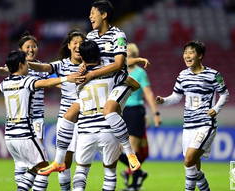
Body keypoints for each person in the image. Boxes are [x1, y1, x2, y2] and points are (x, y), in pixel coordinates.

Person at [38, 0, 151, 176]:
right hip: (97, 84)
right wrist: (83, 67)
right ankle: (58, 162)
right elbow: (87, 59)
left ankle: (130, 153)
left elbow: (119, 63)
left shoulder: (118, 35)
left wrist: (91, 74)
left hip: (117, 82)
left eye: (93, 12)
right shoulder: (90, 36)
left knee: (109, 111)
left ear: (104, 15)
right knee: (68, 115)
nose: (90, 16)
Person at [0, 50, 82, 191]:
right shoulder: (26, 81)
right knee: (44, 168)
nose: (28, 66)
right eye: (26, 63)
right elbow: (46, 83)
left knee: (33, 168)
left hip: (9, 137)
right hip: (25, 134)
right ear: (20, 65)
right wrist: (67, 79)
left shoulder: (5, 83)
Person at [155, 40, 229, 191]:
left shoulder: (213, 75)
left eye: (191, 52)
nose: (187, 56)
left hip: (205, 124)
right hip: (188, 126)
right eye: (185, 52)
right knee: (194, 165)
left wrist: (216, 109)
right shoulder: (183, 75)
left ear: (200, 55)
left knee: (188, 160)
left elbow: (224, 94)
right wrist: (164, 101)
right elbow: (176, 96)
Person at [27, 28, 86, 191]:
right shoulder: (62, 65)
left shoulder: (91, 65)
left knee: (82, 161)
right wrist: (26, 62)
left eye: (81, 44)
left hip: (86, 119)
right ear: (69, 46)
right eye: (75, 43)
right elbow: (45, 67)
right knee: (65, 164)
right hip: (66, 120)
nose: (78, 46)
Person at [0, 31, 50, 191]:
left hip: (36, 117)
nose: (31, 49)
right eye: (27, 47)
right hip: (20, 119)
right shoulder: (18, 68)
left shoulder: (41, 67)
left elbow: (52, 79)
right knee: (31, 162)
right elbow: (6, 72)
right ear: (21, 50)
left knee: (36, 158)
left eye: (34, 46)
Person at [69, 40, 121, 191]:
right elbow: (130, 81)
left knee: (81, 171)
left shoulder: (78, 80)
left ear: (82, 58)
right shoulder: (112, 74)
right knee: (110, 171)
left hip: (85, 131)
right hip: (108, 129)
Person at [119, 43, 161, 191]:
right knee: (117, 151)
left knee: (132, 150)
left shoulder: (140, 73)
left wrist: (155, 113)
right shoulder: (119, 71)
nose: (128, 58)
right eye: (126, 55)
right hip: (121, 111)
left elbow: (148, 93)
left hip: (135, 111)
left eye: (131, 56)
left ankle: (134, 184)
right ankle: (139, 173)